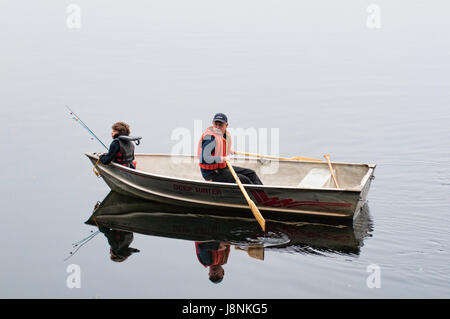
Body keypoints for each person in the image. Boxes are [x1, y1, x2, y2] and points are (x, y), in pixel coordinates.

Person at [198, 113, 263, 185]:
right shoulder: (210, 138)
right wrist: (223, 159)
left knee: (251, 173)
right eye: (216, 124)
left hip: (221, 168)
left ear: (226, 125)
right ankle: (256, 194)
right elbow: (205, 158)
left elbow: (219, 146)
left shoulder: (224, 135)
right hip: (212, 173)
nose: (217, 127)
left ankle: (263, 191)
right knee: (243, 179)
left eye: (220, 125)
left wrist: (228, 149)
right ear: (213, 123)